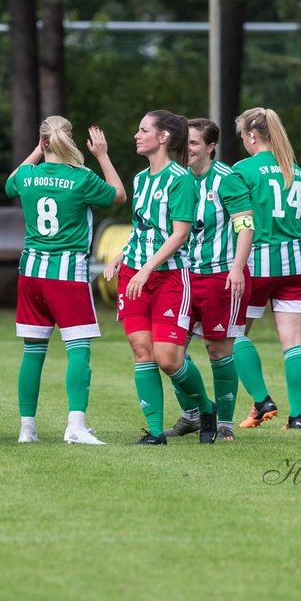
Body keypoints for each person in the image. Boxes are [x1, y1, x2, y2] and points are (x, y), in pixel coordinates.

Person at [5, 117, 126, 445]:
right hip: (67, 274)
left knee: (32, 352)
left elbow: (9, 184)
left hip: (30, 273)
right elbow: (118, 195)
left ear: (43, 142)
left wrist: (35, 152)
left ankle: (26, 428)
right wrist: (102, 156)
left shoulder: (27, 176)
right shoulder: (81, 178)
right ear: (70, 140)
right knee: (79, 350)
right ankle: (75, 426)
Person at [102, 110, 217, 444]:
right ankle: (154, 433)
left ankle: (205, 408)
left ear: (163, 137)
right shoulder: (140, 179)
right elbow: (143, 229)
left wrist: (147, 268)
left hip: (167, 279)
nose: (136, 135)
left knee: (168, 359)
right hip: (134, 275)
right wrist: (122, 258)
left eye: (143, 130)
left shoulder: (181, 179)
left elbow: (179, 234)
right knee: (142, 352)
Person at [226, 107, 301, 430]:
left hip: (257, 262)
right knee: (294, 341)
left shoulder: (242, 171)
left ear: (252, 135)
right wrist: (299, 259)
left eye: (243, 137)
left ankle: (262, 399)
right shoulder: (297, 172)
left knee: (233, 335)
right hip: (295, 264)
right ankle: (298, 418)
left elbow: (244, 223)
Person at [162, 119, 247, 441]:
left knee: (217, 350)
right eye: (185, 144)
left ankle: (224, 422)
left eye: (195, 143)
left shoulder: (228, 180)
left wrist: (238, 267)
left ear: (211, 147)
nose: (188, 150)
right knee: (168, 351)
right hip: (180, 275)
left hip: (220, 276)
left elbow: (245, 225)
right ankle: (194, 413)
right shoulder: (175, 179)